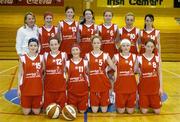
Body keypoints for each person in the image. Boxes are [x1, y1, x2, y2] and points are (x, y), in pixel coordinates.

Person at [85, 35, 116, 113]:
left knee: (104, 110)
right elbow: (86, 69)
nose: (96, 45)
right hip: (93, 84)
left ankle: (110, 98)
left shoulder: (105, 55)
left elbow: (113, 66)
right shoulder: (87, 55)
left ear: (100, 44)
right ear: (92, 44)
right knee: (94, 111)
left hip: (103, 83)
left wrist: (108, 70)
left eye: (98, 43)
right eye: (94, 43)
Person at [17, 38, 44, 115]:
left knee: (36, 112)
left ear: (38, 47)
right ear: (28, 46)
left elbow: (43, 74)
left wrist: (43, 92)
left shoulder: (41, 58)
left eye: (35, 45)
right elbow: (20, 74)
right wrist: (18, 89)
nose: (33, 47)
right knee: (26, 112)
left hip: (37, 89)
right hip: (26, 89)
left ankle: (36, 104)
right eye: (31, 45)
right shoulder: (22, 58)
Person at [137, 39, 163, 114]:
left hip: (154, 88)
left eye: (151, 47)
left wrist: (161, 88)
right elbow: (135, 71)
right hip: (144, 87)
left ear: (154, 47)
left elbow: (160, 73)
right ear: (144, 46)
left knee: (157, 111)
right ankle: (141, 100)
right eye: (148, 46)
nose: (149, 48)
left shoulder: (157, 58)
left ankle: (152, 102)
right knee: (144, 111)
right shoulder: (139, 58)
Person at [112, 39, 138, 114]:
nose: (126, 47)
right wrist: (112, 72)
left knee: (130, 111)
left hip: (131, 86)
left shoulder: (134, 56)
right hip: (120, 86)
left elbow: (136, 70)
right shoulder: (116, 56)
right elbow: (109, 66)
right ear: (121, 47)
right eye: (123, 46)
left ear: (130, 46)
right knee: (121, 111)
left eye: (127, 45)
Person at [43, 37, 67, 110]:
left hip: (61, 88)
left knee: (61, 110)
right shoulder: (45, 55)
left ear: (59, 44)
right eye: (52, 44)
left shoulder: (63, 54)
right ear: (49, 45)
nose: (54, 46)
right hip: (49, 88)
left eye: (55, 44)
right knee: (48, 110)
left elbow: (66, 70)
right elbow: (43, 71)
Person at [66, 43, 89, 113]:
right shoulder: (67, 63)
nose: (75, 52)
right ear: (71, 52)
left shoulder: (85, 62)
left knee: (82, 112)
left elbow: (89, 75)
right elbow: (65, 78)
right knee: (73, 112)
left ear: (80, 51)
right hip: (72, 93)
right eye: (73, 50)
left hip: (83, 92)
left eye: (76, 50)